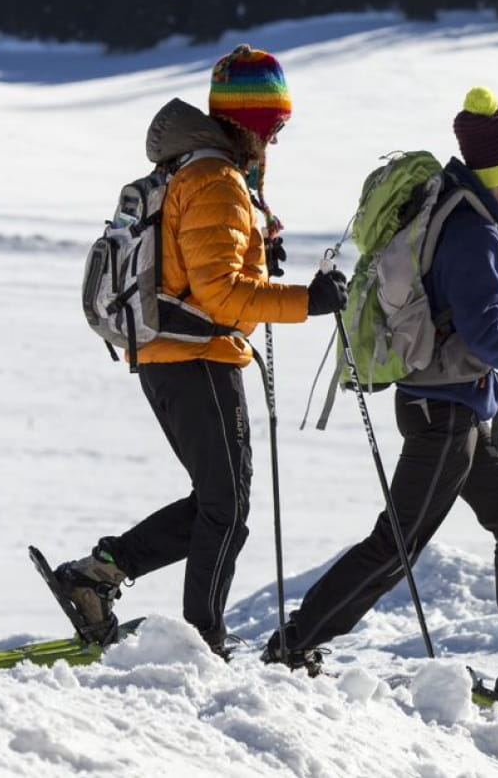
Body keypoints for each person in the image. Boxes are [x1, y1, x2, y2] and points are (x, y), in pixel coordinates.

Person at [261, 87, 498, 719]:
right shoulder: (473, 235)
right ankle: (293, 647)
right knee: (397, 546)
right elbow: (485, 336)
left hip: (457, 410)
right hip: (444, 414)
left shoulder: (469, 218)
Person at [53, 45, 350, 657]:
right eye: (276, 125)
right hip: (196, 357)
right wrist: (308, 300)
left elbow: (205, 272)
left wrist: (260, 261)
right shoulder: (215, 179)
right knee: (228, 508)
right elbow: (222, 296)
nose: (278, 139)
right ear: (254, 123)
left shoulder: (193, 169)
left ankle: (97, 576)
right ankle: (202, 639)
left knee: (217, 503)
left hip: (173, 356)